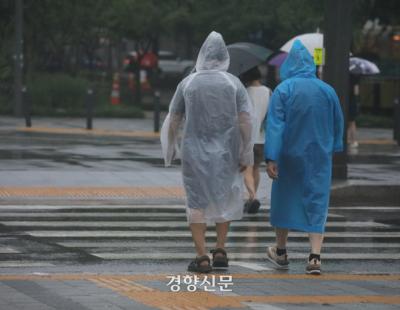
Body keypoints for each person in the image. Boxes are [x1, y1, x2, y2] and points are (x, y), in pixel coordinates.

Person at [160, 31, 254, 273]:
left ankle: (202, 256)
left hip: (194, 152)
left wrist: (171, 149)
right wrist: (246, 154)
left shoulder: (188, 82)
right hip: (228, 151)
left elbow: (173, 118)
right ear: (225, 56)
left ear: (201, 54)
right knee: (226, 195)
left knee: (196, 201)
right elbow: (246, 121)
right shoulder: (234, 84)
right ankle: (220, 248)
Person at [264, 40, 344, 275]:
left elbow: (275, 126)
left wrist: (271, 157)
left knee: (284, 199)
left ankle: (281, 251)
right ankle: (315, 257)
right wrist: (335, 146)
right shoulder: (327, 90)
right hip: (319, 155)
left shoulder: (284, 89)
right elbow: (337, 121)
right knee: (317, 201)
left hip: (289, 155)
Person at [239, 67, 271, 214]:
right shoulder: (269, 92)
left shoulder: (244, 92)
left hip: (247, 137)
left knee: (247, 168)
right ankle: (252, 199)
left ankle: (252, 196)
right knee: (256, 168)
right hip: (262, 137)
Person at [348, 74, 360, 148]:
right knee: (352, 123)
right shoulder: (354, 77)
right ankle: (353, 141)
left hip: (344, 101)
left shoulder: (342, 76)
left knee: (345, 123)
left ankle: (346, 140)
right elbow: (356, 92)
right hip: (352, 102)